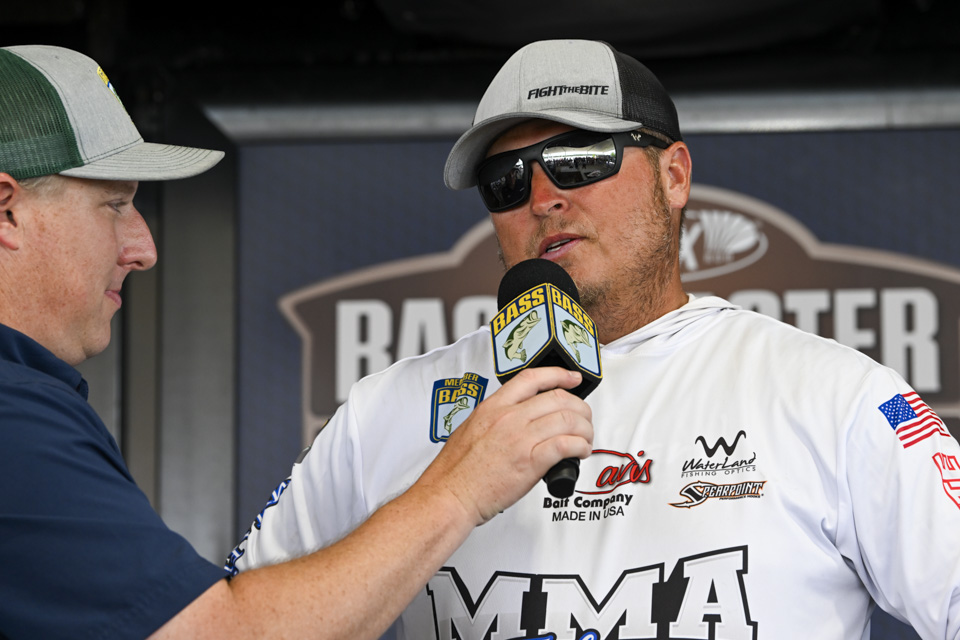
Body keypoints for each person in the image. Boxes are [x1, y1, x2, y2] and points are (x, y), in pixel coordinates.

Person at [233, 39, 960, 639]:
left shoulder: (836, 396)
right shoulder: (386, 410)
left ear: (674, 176)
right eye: (506, 180)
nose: (543, 197)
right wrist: (444, 495)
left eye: (580, 158)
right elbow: (228, 623)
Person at [0, 44, 594, 640]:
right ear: (6, 211)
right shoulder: (13, 415)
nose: (144, 248)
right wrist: (459, 489)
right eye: (115, 205)